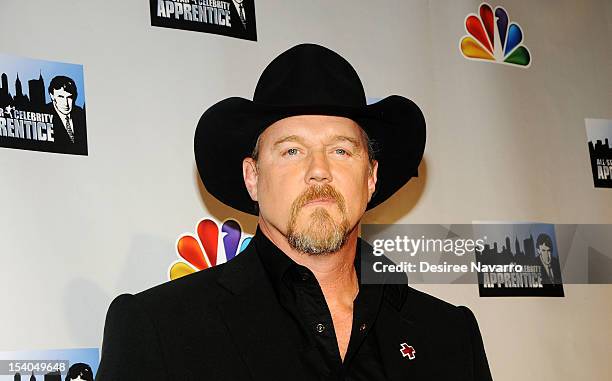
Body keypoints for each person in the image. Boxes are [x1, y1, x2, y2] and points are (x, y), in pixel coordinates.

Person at [96, 44, 492, 380]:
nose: (319, 170)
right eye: (292, 151)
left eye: (340, 150)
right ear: (253, 178)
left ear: (370, 178)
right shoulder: (160, 328)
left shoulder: (450, 336)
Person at [46, 76, 87, 155]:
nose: (66, 103)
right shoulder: (44, 113)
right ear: (52, 96)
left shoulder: (80, 113)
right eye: (60, 97)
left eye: (69, 97)